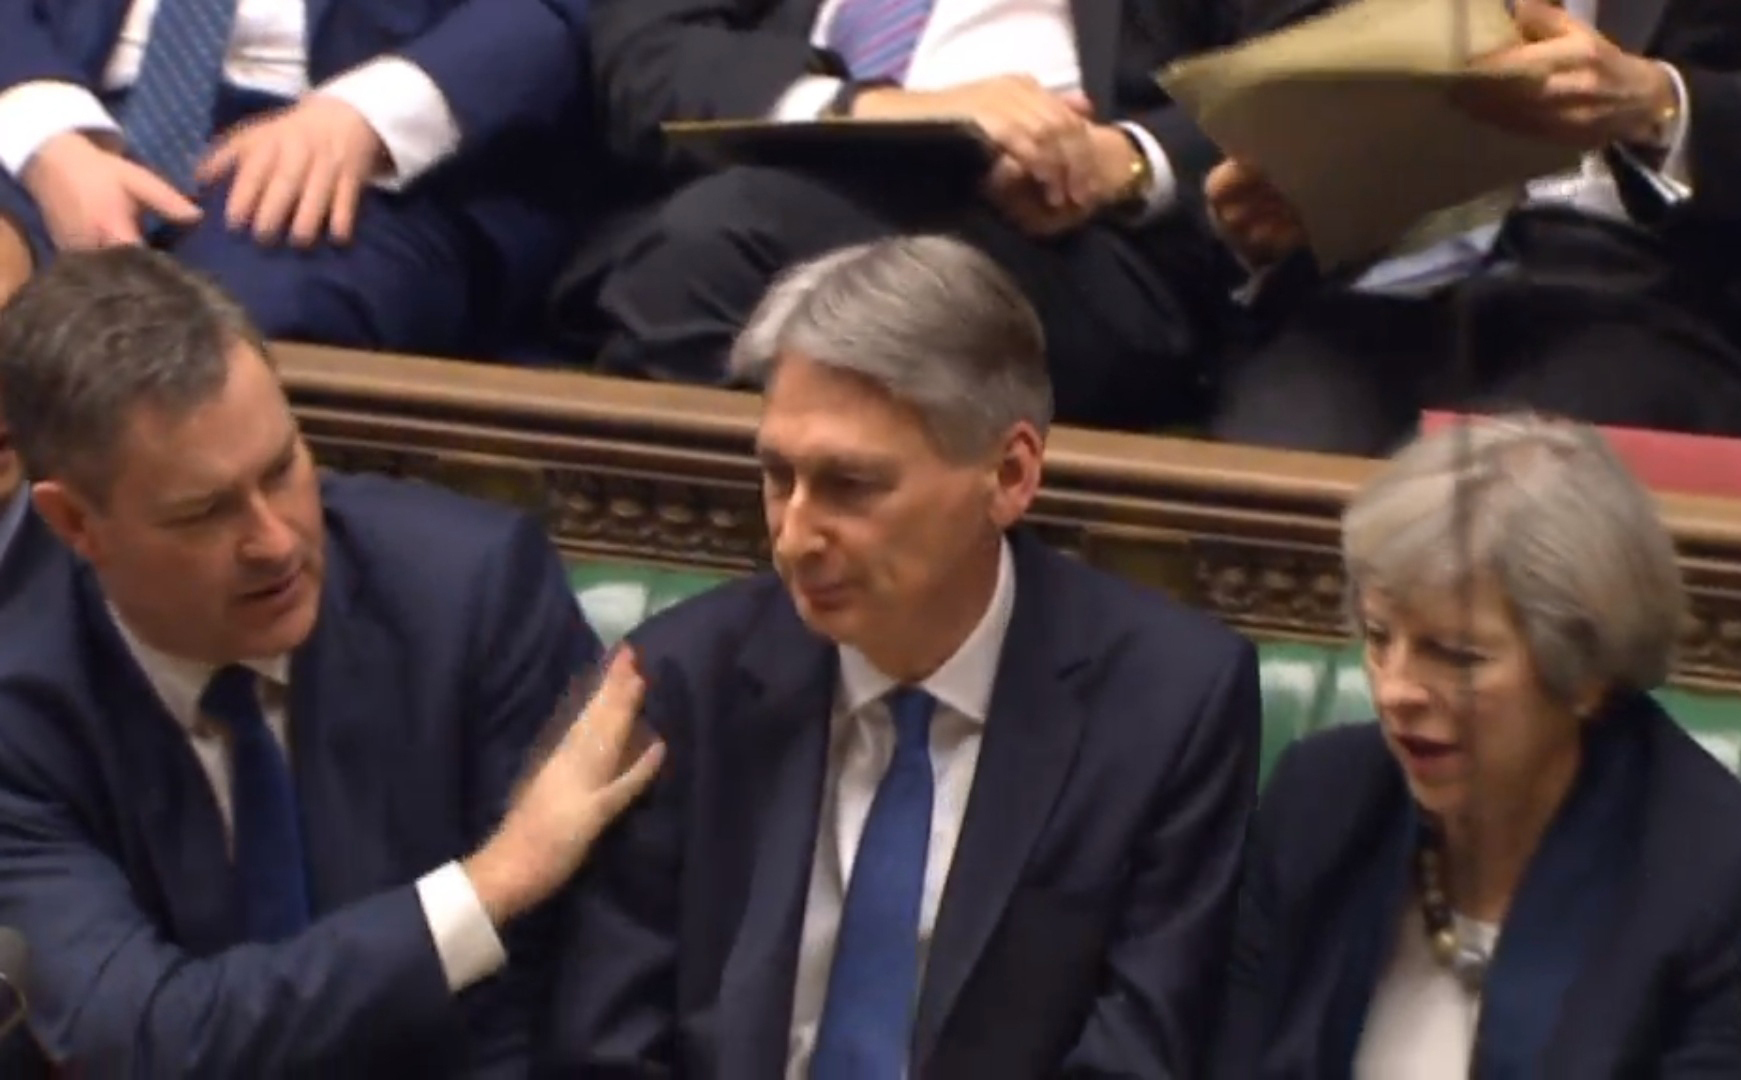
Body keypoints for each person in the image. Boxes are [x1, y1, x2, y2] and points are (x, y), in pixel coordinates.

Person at [549, 235, 1262, 1076]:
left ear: (1009, 474)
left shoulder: (1168, 702)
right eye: (779, 476)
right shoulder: (680, 683)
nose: (795, 535)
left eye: (851, 486)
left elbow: (1137, 1056)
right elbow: (606, 1051)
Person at [0, 248, 664, 1076]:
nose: (275, 542)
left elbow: (546, 1006)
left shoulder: (470, 593)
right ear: (74, 526)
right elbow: (143, 1043)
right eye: (204, 512)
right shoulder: (18, 704)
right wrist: (491, 882)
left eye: (282, 469)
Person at [1212, 414, 1741, 1077]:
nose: (1394, 689)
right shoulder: (1321, 799)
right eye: (1378, 638)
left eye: (1454, 655)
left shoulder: (1711, 877)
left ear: (1583, 674)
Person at [554, 0, 1241, 429]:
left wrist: (1122, 159)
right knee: (713, 238)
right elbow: (648, 55)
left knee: (707, 248)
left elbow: (1303, 83)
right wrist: (860, 109)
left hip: (1059, 240)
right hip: (776, 180)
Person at [1205, 0, 1741, 455]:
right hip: (1373, 285)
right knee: (1272, 482)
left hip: (1640, 294)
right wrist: (1281, 200)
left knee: (1507, 497)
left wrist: (1663, 107)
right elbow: (1252, 88)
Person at [0, 0, 597, 354]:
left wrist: (368, 113)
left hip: (369, 145)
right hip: (61, 107)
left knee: (213, 338)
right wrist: (47, 139)